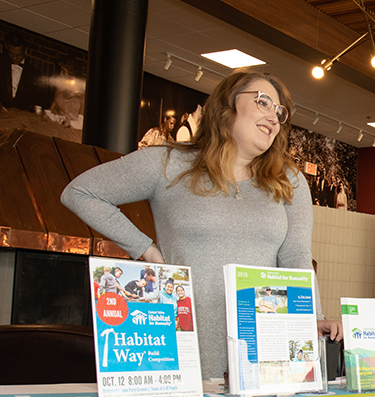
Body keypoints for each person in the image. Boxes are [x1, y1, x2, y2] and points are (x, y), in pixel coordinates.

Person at [62, 68, 342, 378]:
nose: (274, 118)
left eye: (280, 112)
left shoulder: (289, 181)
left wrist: (313, 317)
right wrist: (147, 251)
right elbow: (80, 193)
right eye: (263, 102)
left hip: (263, 355)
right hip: (180, 346)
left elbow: (296, 258)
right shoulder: (167, 163)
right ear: (226, 105)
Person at [0, 32, 43, 112]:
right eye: (11, 54)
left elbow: (37, 100)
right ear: (6, 47)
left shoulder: (33, 73)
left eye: (18, 55)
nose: (15, 58)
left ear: (25, 51)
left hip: (21, 119)